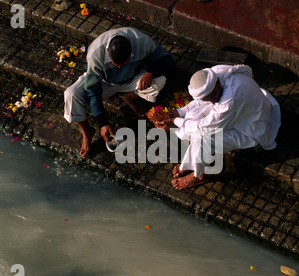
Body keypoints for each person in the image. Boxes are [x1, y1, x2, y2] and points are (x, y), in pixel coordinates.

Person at [155, 64, 281, 190]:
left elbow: (204, 127)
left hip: (251, 129)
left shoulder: (230, 100)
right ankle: (194, 160)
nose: (213, 102)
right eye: (209, 99)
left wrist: (175, 121)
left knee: (201, 137)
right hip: (241, 110)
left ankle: (199, 175)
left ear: (216, 82)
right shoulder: (215, 73)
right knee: (192, 115)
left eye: (214, 96)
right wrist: (178, 113)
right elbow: (200, 102)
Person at [64, 27, 173, 157]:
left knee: (159, 80)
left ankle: (129, 96)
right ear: (107, 51)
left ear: (131, 52)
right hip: (105, 82)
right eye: (116, 64)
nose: (120, 67)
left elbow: (167, 59)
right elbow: (93, 89)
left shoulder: (142, 42)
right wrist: (102, 123)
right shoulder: (95, 54)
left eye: (123, 63)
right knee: (71, 94)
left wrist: (151, 72)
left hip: (132, 79)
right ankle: (87, 132)